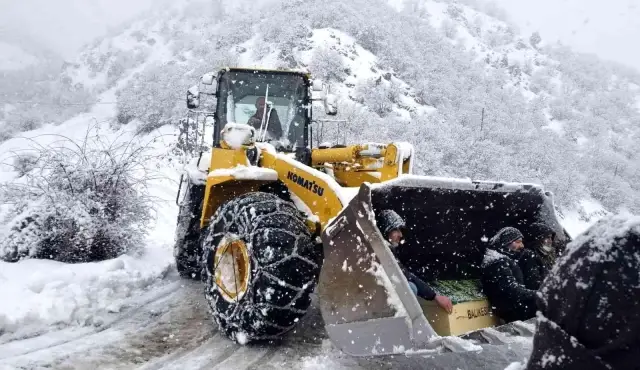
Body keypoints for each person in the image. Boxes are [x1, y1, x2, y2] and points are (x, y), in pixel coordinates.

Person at [524, 215, 640, 370]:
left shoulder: (567, 264)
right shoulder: (531, 257)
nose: (548, 242)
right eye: (545, 238)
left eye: (549, 238)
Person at [376, 209, 453, 314]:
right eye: (396, 230)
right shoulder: (381, 253)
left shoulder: (386, 251)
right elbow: (403, 275)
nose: (400, 235)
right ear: (385, 231)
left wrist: (433, 295)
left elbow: (404, 273)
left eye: (400, 230)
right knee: (410, 288)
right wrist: (434, 296)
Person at [481, 226, 537, 323]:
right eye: (518, 242)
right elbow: (512, 290)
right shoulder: (498, 263)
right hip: (513, 314)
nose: (522, 245)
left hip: (514, 311)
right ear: (506, 242)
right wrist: (538, 294)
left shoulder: (502, 260)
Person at [518, 222, 557, 290]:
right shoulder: (530, 256)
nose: (550, 241)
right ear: (538, 238)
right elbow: (534, 285)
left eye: (551, 238)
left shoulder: (547, 255)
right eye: (547, 237)